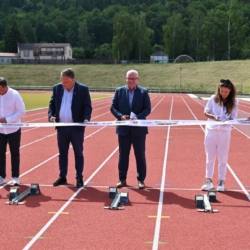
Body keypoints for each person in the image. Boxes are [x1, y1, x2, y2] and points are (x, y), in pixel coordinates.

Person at [48, 68, 92, 188]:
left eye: (66, 82)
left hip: (76, 127)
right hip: (62, 127)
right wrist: (51, 116)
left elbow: (87, 106)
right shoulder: (57, 88)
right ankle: (62, 176)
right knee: (62, 153)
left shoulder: (83, 89)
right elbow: (52, 104)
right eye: (62, 81)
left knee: (78, 153)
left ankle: (79, 177)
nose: (63, 84)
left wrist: (86, 118)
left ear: (73, 80)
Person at [110, 69, 151, 189]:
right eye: (129, 78)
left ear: (137, 79)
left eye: (134, 79)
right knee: (123, 156)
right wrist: (120, 116)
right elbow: (113, 107)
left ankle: (141, 180)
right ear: (126, 79)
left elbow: (147, 109)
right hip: (123, 130)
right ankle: (122, 179)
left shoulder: (143, 92)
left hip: (138, 130)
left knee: (140, 155)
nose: (131, 81)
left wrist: (138, 117)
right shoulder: (119, 91)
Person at [201, 79, 238, 192]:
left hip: (225, 132)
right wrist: (214, 117)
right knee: (210, 156)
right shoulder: (213, 99)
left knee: (223, 157)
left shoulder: (234, 102)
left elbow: (234, 117)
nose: (223, 93)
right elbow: (205, 112)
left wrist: (229, 120)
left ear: (230, 91)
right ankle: (208, 180)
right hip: (211, 130)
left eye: (226, 91)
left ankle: (221, 181)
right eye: (221, 91)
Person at [0, 77, 25, 186]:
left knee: (15, 153)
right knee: (0, 154)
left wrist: (8, 120)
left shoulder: (15, 95)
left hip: (13, 129)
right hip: (0, 130)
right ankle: (1, 176)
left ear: (5, 87)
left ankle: (15, 177)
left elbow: (21, 111)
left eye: (0, 90)